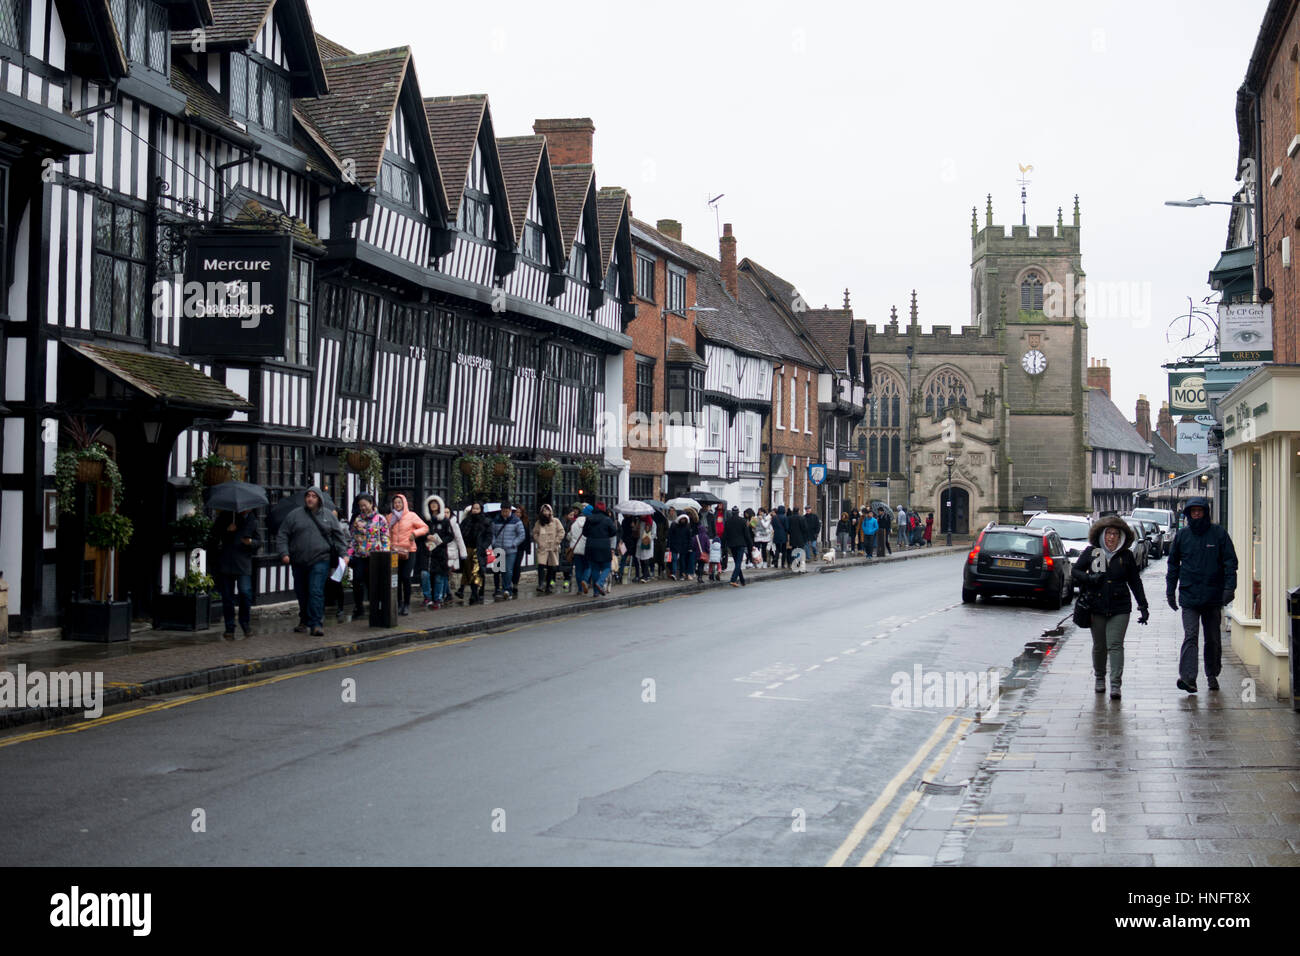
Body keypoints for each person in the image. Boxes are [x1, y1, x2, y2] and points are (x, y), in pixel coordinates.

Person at [1166, 497, 1238, 693]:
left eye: (1200, 511)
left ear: (1206, 512)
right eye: (1193, 511)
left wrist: (1229, 588)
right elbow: (1173, 565)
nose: (1196, 514)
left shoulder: (1219, 534)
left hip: (1213, 595)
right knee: (1191, 635)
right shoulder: (1182, 536)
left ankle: (1212, 673)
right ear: (1188, 514)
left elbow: (1230, 563)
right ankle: (1188, 678)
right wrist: (1170, 591)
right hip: (1189, 594)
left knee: (1212, 638)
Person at [1073, 515, 1149, 699]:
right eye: (1109, 533)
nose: (1112, 537)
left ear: (1121, 536)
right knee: (1100, 646)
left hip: (1120, 607)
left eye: (1116, 534)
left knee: (1115, 644)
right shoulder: (1093, 552)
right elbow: (1076, 571)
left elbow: (1135, 581)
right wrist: (1089, 578)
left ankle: (1115, 684)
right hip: (1096, 605)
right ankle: (1100, 677)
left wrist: (1143, 605)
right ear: (1102, 535)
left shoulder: (1126, 556)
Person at [275, 486, 349, 637]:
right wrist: (284, 553)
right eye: (308, 496)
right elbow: (282, 534)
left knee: (316, 591)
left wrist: (344, 554)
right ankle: (304, 620)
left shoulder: (328, 516)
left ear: (319, 499)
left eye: (313, 496)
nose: (310, 499)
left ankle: (316, 624)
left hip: (320, 559)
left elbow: (339, 537)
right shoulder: (294, 515)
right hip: (299, 560)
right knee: (302, 592)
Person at [210, 508, 259, 639]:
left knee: (245, 592)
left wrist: (251, 543)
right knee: (227, 597)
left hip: (243, 563)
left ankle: (245, 623)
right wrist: (226, 530)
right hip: (227, 562)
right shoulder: (226, 516)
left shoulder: (252, 519)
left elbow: (258, 541)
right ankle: (229, 628)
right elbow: (213, 535)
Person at [347, 494, 388, 621]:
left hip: (375, 556)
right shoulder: (357, 520)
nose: (363, 508)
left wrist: (385, 553)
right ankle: (359, 607)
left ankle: (374, 607)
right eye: (360, 506)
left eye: (365, 505)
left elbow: (385, 538)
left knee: (373, 583)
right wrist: (349, 554)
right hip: (360, 555)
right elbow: (353, 538)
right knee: (357, 581)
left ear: (371, 504)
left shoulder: (380, 519)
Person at [387, 493, 428, 616]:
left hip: (409, 550)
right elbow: (387, 532)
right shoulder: (390, 517)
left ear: (404, 503)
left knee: (405, 577)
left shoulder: (411, 516)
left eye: (399, 502)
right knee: (397, 578)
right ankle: (399, 603)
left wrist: (414, 534)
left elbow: (424, 527)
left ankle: (407, 604)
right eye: (395, 503)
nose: (397, 505)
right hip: (394, 551)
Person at [421, 495, 462, 609]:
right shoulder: (425, 520)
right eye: (431, 503)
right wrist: (427, 536)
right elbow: (420, 532)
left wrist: (440, 541)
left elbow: (450, 536)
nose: (433, 506)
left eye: (436, 503)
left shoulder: (444, 520)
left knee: (439, 577)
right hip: (428, 553)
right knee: (425, 575)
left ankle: (437, 599)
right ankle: (427, 597)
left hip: (440, 553)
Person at [458, 501, 492, 605]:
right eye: (474, 508)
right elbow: (461, 534)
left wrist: (483, 546)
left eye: (477, 508)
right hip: (468, 549)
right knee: (468, 571)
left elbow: (489, 536)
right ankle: (474, 593)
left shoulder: (486, 522)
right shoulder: (466, 521)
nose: (475, 510)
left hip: (479, 550)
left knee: (476, 572)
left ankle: (474, 593)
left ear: (481, 509)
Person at [490, 499, 525, 600]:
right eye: (503, 511)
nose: (504, 513)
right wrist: (494, 543)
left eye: (506, 511)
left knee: (508, 570)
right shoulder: (496, 520)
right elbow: (492, 533)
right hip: (498, 548)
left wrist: (514, 544)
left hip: (510, 550)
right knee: (498, 569)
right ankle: (498, 588)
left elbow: (521, 535)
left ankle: (507, 589)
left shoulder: (516, 521)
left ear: (510, 510)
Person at [581, 501, 618, 596]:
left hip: (590, 546)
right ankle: (600, 583)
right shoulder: (607, 519)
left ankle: (596, 592)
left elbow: (584, 533)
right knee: (607, 567)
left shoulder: (589, 519)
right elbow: (614, 532)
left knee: (594, 569)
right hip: (604, 546)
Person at [531, 503, 565, 594]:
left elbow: (561, 531)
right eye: (544, 510)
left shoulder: (556, 521)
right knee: (541, 565)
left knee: (551, 566)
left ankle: (549, 584)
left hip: (552, 547)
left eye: (547, 510)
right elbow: (535, 533)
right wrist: (539, 541)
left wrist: (557, 541)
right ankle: (541, 583)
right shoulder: (539, 522)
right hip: (543, 547)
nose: (546, 512)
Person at [724, 505, 753, 587]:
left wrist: (723, 545)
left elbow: (725, 534)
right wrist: (751, 545)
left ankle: (742, 580)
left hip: (732, 544)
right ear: (738, 512)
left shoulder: (727, 521)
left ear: (732, 513)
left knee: (737, 562)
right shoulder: (742, 521)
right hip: (741, 544)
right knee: (738, 563)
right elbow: (747, 534)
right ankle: (733, 579)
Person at [568, 505, 591, 593]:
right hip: (586, 549)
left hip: (576, 549)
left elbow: (569, 536)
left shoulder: (574, 524)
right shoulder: (588, 523)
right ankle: (585, 580)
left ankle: (580, 589)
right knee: (588, 567)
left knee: (578, 569)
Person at [668, 512, 694, 581]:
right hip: (674, 545)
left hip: (683, 546)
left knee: (682, 561)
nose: (683, 520)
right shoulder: (674, 525)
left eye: (684, 519)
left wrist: (690, 547)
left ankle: (681, 574)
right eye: (682, 519)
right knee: (674, 560)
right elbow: (670, 536)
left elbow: (689, 538)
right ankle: (674, 573)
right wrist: (668, 545)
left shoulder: (687, 527)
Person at [512, 505, 532, 595]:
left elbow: (527, 536)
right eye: (516, 512)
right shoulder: (511, 521)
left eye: (519, 512)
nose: (518, 514)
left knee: (517, 565)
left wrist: (528, 549)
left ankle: (515, 583)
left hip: (520, 547)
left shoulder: (525, 522)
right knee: (508, 566)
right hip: (510, 546)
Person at [635, 514, 656, 582]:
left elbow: (654, 533)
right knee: (641, 559)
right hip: (640, 542)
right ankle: (645, 573)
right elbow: (637, 531)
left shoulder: (652, 522)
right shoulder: (640, 522)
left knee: (646, 559)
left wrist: (647, 539)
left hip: (647, 543)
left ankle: (646, 576)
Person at [693, 519, 712, 583]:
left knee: (696, 565)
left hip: (696, 554)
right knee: (701, 566)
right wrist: (708, 552)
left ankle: (695, 573)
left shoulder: (695, 537)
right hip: (703, 554)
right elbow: (707, 546)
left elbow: (693, 545)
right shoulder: (706, 537)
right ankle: (700, 577)